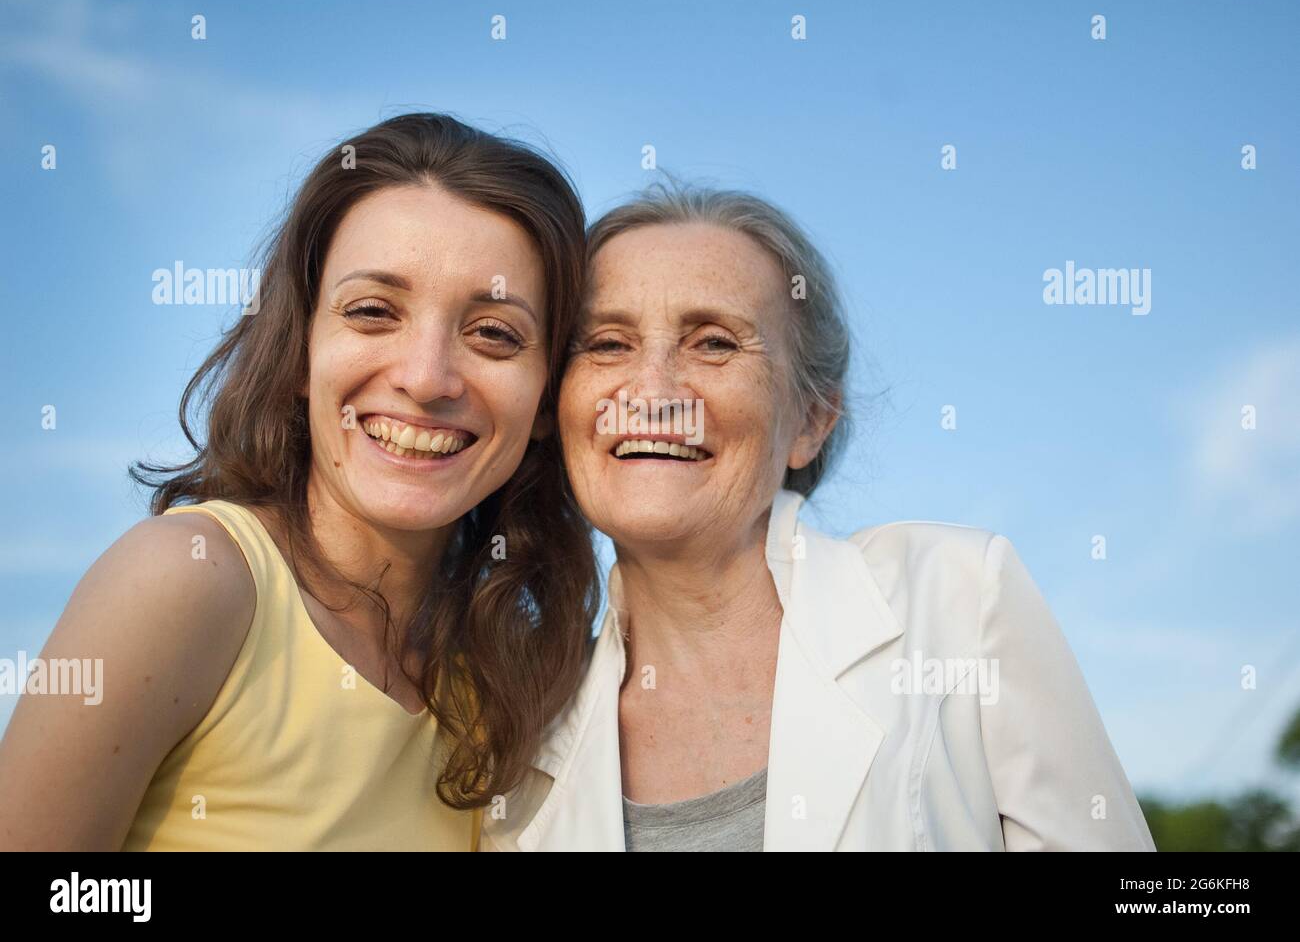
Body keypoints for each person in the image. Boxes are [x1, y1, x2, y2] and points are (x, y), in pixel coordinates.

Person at [481, 182, 1156, 851]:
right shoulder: (514, 740)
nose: (653, 392)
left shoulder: (957, 599)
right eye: (605, 344)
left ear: (810, 421)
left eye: (714, 343)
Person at [0, 113, 599, 851]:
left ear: (546, 398)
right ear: (298, 351)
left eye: (494, 334)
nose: (425, 377)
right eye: (373, 311)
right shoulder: (189, 583)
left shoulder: (505, 684)